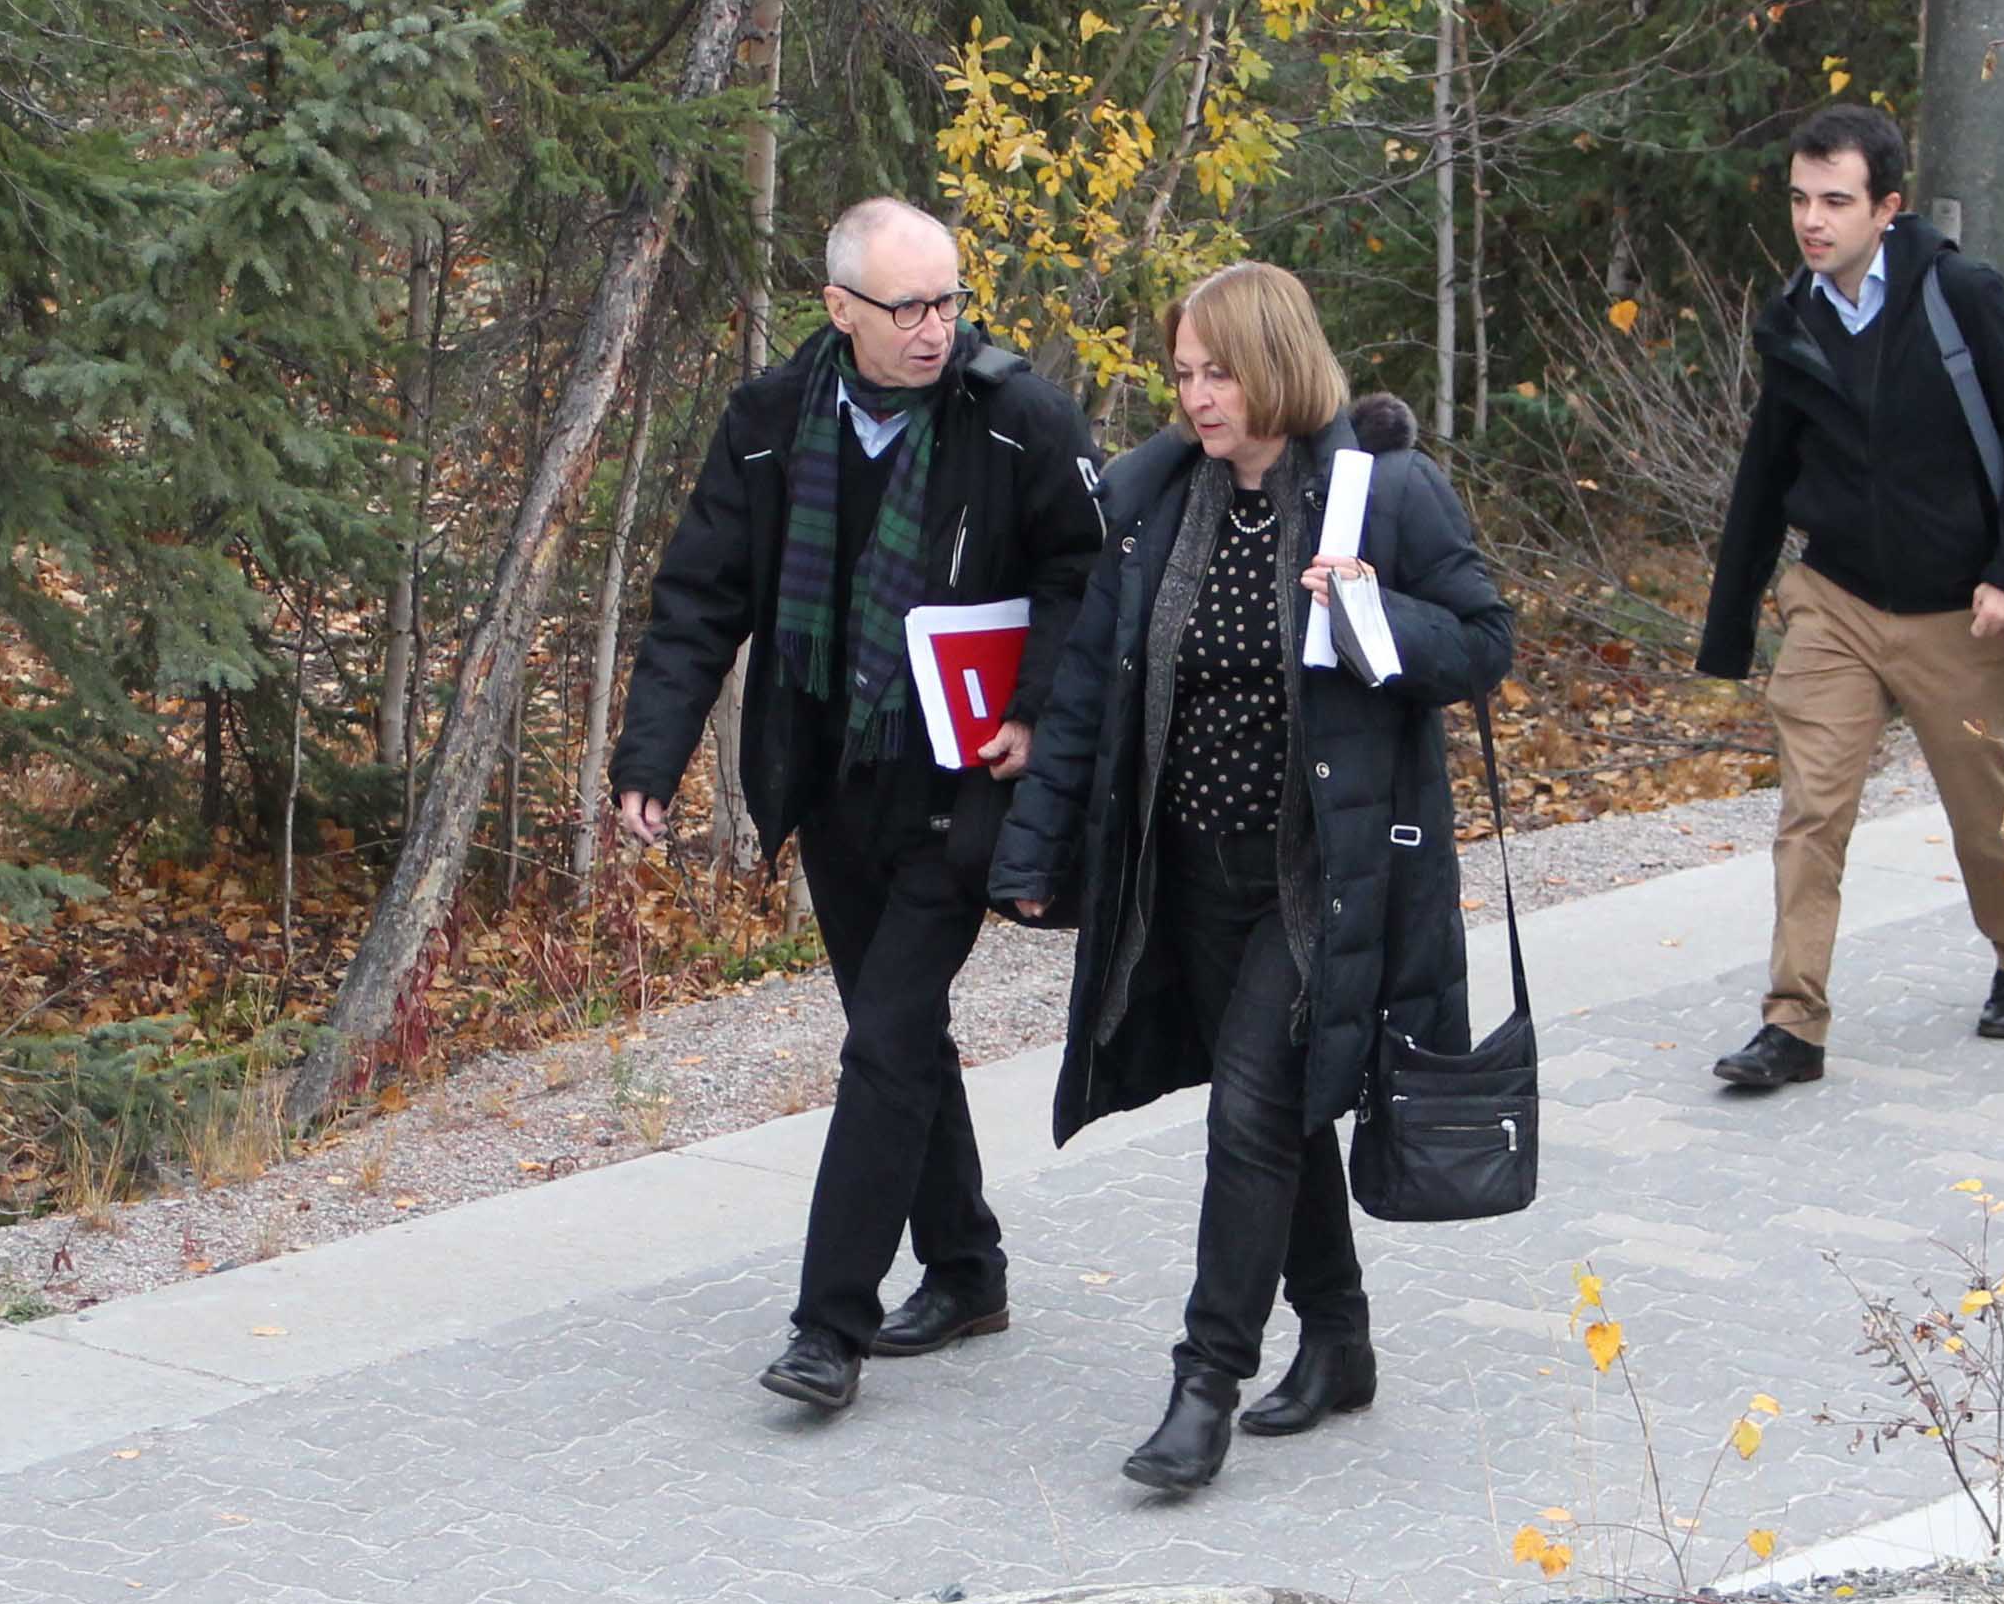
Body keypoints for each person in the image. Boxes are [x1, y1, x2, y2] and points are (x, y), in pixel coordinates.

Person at [991, 264, 1512, 1494]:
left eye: (1215, 370)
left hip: (1315, 879)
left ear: (1274, 361)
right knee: (1272, 1114)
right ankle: (1335, 1336)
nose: (1195, 394)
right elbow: (1086, 694)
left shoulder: (1377, 494)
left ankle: (1202, 1384)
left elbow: (1485, 641)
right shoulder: (1161, 501)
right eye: (1180, 372)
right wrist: (1034, 847)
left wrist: (1384, 613)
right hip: (1186, 874)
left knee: (1244, 1114)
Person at [609, 197, 1106, 1414]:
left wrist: (1035, 708)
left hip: (960, 784)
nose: (935, 327)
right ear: (839, 308)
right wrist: (649, 758)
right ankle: (968, 1269)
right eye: (908, 306)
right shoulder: (772, 421)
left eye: (947, 300)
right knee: (906, 1040)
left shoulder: (1014, 420)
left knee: (880, 1041)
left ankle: (827, 1324)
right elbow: (699, 592)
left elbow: (1090, 571)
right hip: (828, 780)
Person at [1696, 105, 2004, 1089]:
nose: (1810, 220)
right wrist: (1727, 630)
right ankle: (1792, 1022)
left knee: (1981, 809)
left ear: (1885, 207)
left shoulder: (1959, 295)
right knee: (1809, 811)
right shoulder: (1794, 315)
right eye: (1797, 199)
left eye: (1833, 200)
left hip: (1960, 607)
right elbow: (1762, 477)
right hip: (1834, 599)